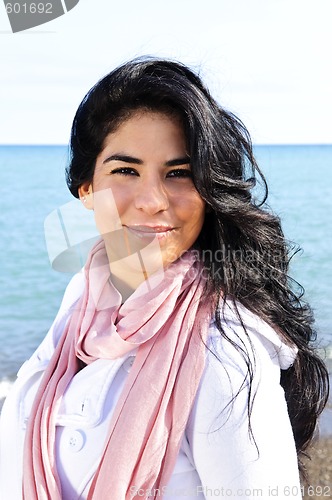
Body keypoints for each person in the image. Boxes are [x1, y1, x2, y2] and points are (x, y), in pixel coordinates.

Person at [0, 57, 329, 500]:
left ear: (209, 192)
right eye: (125, 171)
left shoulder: (225, 346)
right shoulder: (84, 299)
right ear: (86, 191)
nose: (153, 199)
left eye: (178, 174)